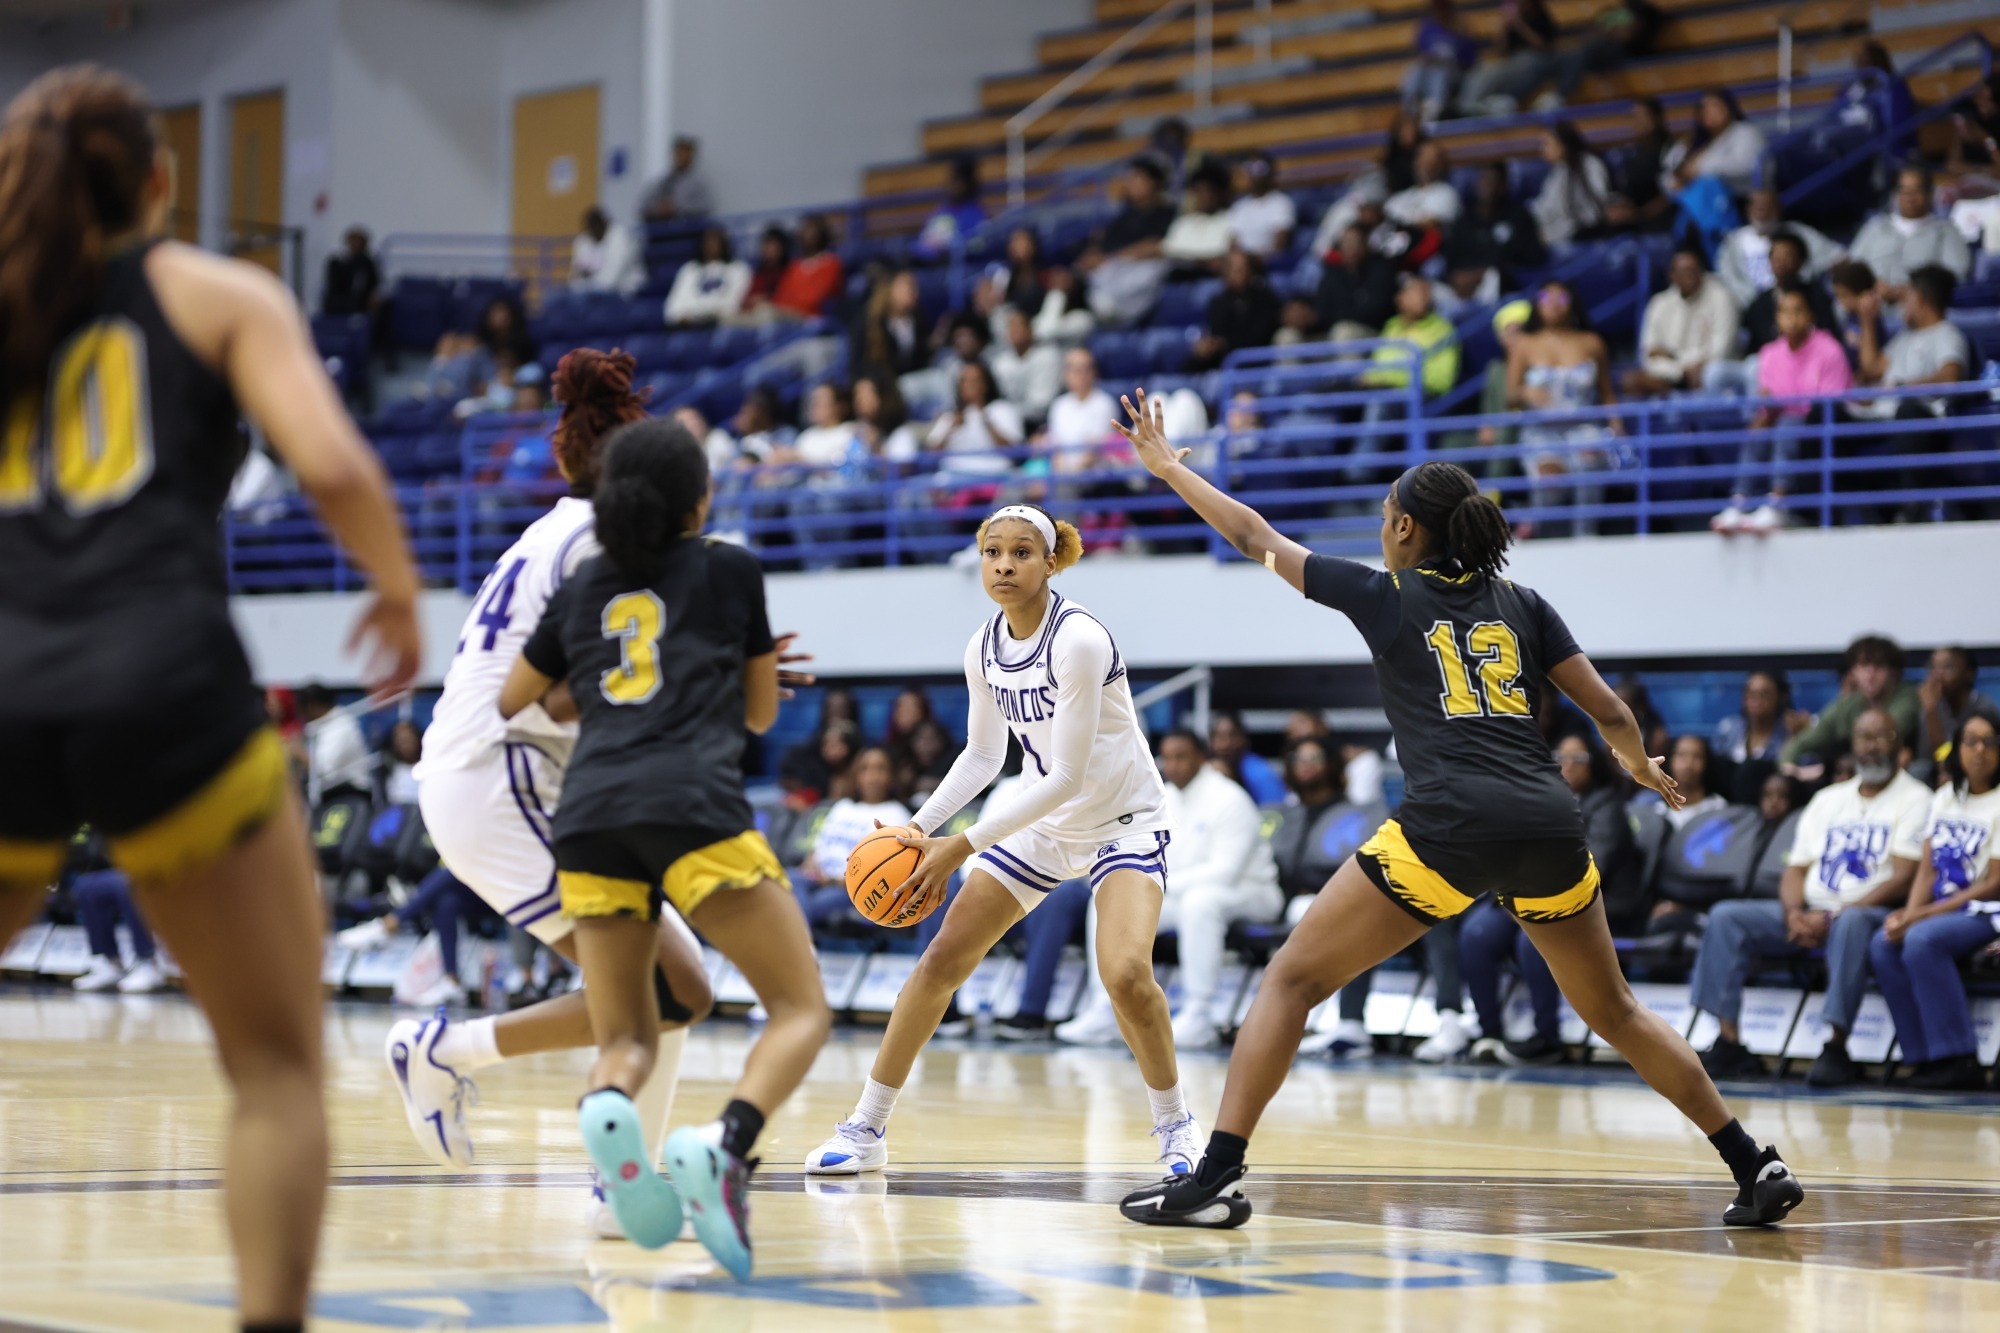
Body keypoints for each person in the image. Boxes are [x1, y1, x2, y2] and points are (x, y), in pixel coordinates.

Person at [1111, 405, 1803, 1232]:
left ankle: (1213, 1174)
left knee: (1291, 980)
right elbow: (1611, 710)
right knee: (1615, 1009)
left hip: (1449, 824)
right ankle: (1751, 1161)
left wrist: (1169, 469)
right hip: (1550, 823)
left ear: (1405, 527)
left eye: (1382, 518)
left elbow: (1252, 533)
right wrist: (1638, 764)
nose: (1378, 530)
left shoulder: (1386, 596)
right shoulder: (1524, 602)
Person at [0, 66, 422, 1330]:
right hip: (165, 683)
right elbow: (335, 461)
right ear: (163, 180)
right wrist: (396, 589)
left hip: (6, 682)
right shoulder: (215, 291)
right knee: (277, 1067)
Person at [388, 349, 736, 1243]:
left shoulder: (565, 531)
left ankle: (611, 1180)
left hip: (505, 777)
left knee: (677, 987)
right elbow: (559, 695)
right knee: (658, 986)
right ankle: (601, 1176)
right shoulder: (600, 547)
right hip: (496, 779)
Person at [499, 418, 830, 1277]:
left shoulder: (583, 588)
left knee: (631, 1035)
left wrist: (600, 692)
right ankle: (726, 1148)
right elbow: (759, 714)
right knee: (799, 1009)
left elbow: (515, 696)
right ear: (699, 498)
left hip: (590, 816)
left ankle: (608, 1098)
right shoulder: (728, 567)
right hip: (692, 806)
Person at [802, 503, 1204, 1183]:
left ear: (1052, 562)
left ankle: (1177, 1126)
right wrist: (918, 828)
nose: (1005, 565)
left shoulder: (1079, 638)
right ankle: (867, 1126)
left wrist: (962, 844)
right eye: (993, 552)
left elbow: (1069, 776)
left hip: (1121, 820)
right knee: (940, 963)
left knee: (1127, 977)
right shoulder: (982, 645)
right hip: (1041, 823)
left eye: (1022, 552)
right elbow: (984, 755)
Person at [1693, 708, 1927, 1088]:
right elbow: (1795, 870)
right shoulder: (1828, 800)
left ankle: (1836, 1047)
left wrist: (1835, 916)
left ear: (1898, 743)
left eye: (1880, 737)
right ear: (1852, 745)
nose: (1871, 747)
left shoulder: (1916, 798)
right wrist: (1793, 915)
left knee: (1850, 923)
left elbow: (1904, 876)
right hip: (1810, 911)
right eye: (1863, 738)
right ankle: (1729, 1042)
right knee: (1725, 916)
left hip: (1870, 914)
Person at [1463, 732, 1629, 1066]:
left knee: (1535, 939)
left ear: (1593, 765)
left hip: (1592, 900)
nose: (1567, 765)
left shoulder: (1607, 806)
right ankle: (1489, 1033)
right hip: (1529, 894)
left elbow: (1595, 866)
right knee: (1476, 932)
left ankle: (1547, 1036)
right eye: (1560, 758)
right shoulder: (1542, 802)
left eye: (1578, 759)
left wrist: (1529, 894)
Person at [1869, 713, 2000, 1091]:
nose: (1979, 751)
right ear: (1956, 749)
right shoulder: (1945, 797)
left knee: (1923, 940)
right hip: (1938, 911)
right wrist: (1908, 914)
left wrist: (1920, 917)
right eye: (1970, 741)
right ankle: (1923, 1057)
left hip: (1985, 912)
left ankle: (1959, 1058)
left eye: (1989, 742)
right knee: (1884, 942)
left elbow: (1992, 885)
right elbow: (1927, 869)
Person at [1151, 729, 1284, 1050]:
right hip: (1181, 893)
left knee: (1201, 903)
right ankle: (1107, 1009)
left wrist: (1160, 885)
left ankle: (1200, 1014)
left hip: (1253, 892)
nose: (1172, 766)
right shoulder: (1163, 797)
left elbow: (1225, 873)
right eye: (1166, 758)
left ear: (1202, 757)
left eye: (1180, 757)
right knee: (1112, 904)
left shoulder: (1229, 798)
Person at [1711, 281, 1851, 534]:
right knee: (1757, 428)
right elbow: (1770, 395)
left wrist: (1783, 406)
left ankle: (1777, 503)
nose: (1792, 318)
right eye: (1785, 312)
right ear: (1777, 318)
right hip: (1783, 417)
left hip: (1817, 423)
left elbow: (1830, 403)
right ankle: (1739, 502)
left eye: (1799, 311)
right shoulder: (1770, 353)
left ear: (1810, 315)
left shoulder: (1829, 349)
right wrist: (1767, 410)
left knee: (1786, 424)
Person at [1508, 281, 1618, 536]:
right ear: (1537, 304)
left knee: (1590, 462)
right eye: (1547, 297)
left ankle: (1585, 535)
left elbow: (1607, 392)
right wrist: (1526, 391)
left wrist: (1616, 425)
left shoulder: (1591, 342)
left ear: (1573, 304)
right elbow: (1511, 396)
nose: (1554, 304)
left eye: (1562, 298)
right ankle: (1532, 530)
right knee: (1551, 482)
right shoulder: (1524, 343)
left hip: (1584, 427)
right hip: (1541, 431)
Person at [793, 746, 912, 928]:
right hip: (817, 878)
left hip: (853, 889)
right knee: (787, 880)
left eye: (880, 769)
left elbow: (888, 873)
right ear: (856, 775)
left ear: (891, 776)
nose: (872, 776)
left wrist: (835, 881)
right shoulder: (843, 806)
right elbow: (818, 848)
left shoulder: (897, 815)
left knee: (807, 905)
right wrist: (811, 865)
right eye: (865, 769)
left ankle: (799, 951)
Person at [1782, 635, 1921, 771]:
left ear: (1894, 671)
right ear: (1853, 671)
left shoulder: (1907, 699)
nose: (1870, 674)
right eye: (1864, 665)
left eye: (1879, 666)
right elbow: (1805, 741)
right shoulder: (1850, 702)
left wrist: (1824, 769)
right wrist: (1789, 767)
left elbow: (1881, 740)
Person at [1623, 248, 1740, 397]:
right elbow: (1648, 355)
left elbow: (1720, 352)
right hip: (1670, 376)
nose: (1689, 276)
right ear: (1672, 276)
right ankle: (1676, 401)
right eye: (1683, 272)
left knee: (1706, 373)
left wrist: (1672, 356)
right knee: (1631, 381)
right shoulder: (1659, 304)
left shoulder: (1721, 298)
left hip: (1707, 373)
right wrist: (1681, 370)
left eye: (1693, 270)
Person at [1079, 157, 1177, 326]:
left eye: (1138, 178)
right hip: (1113, 272)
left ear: (1155, 183)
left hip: (1145, 272)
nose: (1131, 183)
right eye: (1131, 178)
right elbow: (1101, 249)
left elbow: (1158, 247)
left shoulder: (1167, 213)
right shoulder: (1122, 217)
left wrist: (1113, 257)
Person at [1847, 166, 1972, 295]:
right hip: (1874, 304)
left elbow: (1956, 273)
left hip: (1923, 304)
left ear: (1929, 194)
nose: (1910, 198)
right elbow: (1852, 270)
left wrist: (1911, 290)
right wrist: (1874, 286)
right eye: (1904, 191)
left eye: (1916, 191)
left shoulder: (1946, 231)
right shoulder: (1875, 227)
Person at [69, 834, 168, 994]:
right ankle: (111, 963)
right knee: (87, 886)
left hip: (169, 865)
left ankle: (148, 962)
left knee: (126, 884)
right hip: (131, 869)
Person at [1715, 190, 1845, 308]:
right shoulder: (1734, 241)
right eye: (1758, 207)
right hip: (1752, 308)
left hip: (1799, 301)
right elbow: (1727, 277)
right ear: (1748, 209)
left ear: (1778, 209)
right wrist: (1755, 302)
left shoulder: (1798, 233)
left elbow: (1837, 256)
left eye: (1768, 207)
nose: (1763, 212)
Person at [1445, 162, 1547, 305]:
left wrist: (1482, 272)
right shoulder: (1465, 220)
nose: (1487, 185)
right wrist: (1458, 277)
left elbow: (1533, 255)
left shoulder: (1518, 216)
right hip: (1461, 287)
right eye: (1484, 179)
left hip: (1502, 285)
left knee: (1493, 277)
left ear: (1503, 185)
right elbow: (1451, 258)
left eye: (1493, 180)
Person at [1549, 0, 1665, 104]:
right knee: (1569, 51)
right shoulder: (1612, 11)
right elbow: (1593, 30)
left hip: (1616, 50)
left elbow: (1628, 35)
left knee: (1591, 46)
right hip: (1596, 50)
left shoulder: (1640, 10)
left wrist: (1608, 33)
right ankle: (1556, 93)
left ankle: (1559, 96)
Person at [925, 360, 1024, 480]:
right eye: (965, 381)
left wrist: (986, 421)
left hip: (995, 475)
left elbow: (1015, 452)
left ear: (986, 384)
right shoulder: (950, 416)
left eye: (975, 381)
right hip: (955, 476)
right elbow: (930, 457)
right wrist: (951, 429)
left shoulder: (1002, 409)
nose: (970, 385)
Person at [1459, 0, 1562, 116]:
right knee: (1482, 69)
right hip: (1512, 63)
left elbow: (1542, 46)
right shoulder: (1513, 21)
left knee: (1508, 67)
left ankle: (1471, 105)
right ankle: (1468, 105)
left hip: (1534, 61)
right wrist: (1504, 29)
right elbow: (1500, 51)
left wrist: (1520, 24)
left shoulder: (1540, 17)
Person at [1189, 250, 1282, 372]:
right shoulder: (1218, 302)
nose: (1235, 273)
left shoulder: (1265, 298)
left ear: (1250, 271)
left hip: (1259, 364)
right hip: (1225, 365)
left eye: (1240, 269)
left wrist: (1224, 343)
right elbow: (1217, 334)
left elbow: (1262, 336)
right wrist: (1208, 347)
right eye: (1230, 268)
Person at [1918, 647, 2000, 783]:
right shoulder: (1931, 706)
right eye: (1933, 668)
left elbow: (1948, 759)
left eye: (1948, 668)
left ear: (1969, 673)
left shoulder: (1983, 709)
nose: (1938, 675)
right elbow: (1932, 759)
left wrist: (1931, 712)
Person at [1665, 90, 1767, 199]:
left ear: (1728, 107)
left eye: (1715, 106)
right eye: (1704, 108)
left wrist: (1699, 170)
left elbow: (1747, 166)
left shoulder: (1745, 132)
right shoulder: (1698, 142)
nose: (1709, 111)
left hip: (1739, 199)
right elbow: (1670, 172)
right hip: (1695, 201)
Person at [1315, 222, 1399, 342]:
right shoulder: (1332, 275)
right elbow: (1321, 313)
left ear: (1366, 246)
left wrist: (1339, 315)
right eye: (1346, 243)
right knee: (1287, 335)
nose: (1351, 248)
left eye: (1356, 243)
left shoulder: (1381, 270)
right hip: (1332, 331)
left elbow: (1376, 313)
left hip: (1376, 333)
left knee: (1343, 331)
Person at [1531, 120, 1611, 247]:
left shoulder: (1590, 164)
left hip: (1588, 234)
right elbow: (1545, 207)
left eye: (1547, 144)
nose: (1542, 150)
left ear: (1562, 143)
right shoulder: (1560, 171)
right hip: (1563, 233)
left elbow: (1594, 210)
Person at [1603, 96, 1675, 234]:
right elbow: (1628, 192)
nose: (1637, 121)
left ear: (1656, 118)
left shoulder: (1670, 150)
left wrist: (1640, 214)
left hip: (1661, 219)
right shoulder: (1633, 154)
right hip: (1635, 218)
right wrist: (1620, 209)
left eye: (1642, 116)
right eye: (1634, 117)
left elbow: (1672, 194)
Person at [1043, 347, 1118, 476]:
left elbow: (1096, 449)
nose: (1081, 374)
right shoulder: (1059, 405)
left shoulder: (1104, 403)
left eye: (1086, 369)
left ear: (1094, 372)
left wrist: (1072, 476)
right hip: (1061, 473)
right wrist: (1060, 474)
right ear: (1066, 374)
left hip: (1092, 473)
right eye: (1075, 370)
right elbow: (1055, 445)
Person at [1400, 0, 1480, 120]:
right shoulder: (1427, 27)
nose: (1439, 13)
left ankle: (1435, 112)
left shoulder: (1460, 27)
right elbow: (1420, 53)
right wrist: (1428, 59)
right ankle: (1408, 109)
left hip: (1453, 71)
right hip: (1430, 68)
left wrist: (1447, 61)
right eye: (1436, 10)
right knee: (1415, 69)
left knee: (1439, 74)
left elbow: (1469, 60)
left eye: (1442, 10)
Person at [1713, 670, 1803, 773]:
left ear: (1781, 697)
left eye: (1764, 694)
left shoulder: (1790, 732)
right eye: (1751, 693)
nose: (1756, 700)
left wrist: (1795, 736)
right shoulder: (1728, 729)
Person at [989, 306, 1063, 425]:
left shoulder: (1049, 356)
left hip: (1045, 421)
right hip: (1012, 422)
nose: (1014, 331)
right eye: (1010, 327)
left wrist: (1008, 412)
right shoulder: (1000, 363)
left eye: (1019, 326)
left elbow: (1042, 405)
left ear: (1031, 330)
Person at [664, 225, 751, 326]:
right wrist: (684, 316)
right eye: (708, 241)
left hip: (724, 324)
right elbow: (673, 308)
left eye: (716, 241)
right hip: (692, 326)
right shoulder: (689, 270)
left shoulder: (738, 268)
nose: (711, 245)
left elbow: (736, 301)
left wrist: (713, 315)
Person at [298, 682, 372, 799]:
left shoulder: (342, 725)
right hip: (328, 794)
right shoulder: (316, 727)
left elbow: (326, 770)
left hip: (352, 794)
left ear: (311, 706)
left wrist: (298, 752)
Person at [1161, 160, 1236, 267]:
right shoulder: (1183, 223)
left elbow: (1220, 259)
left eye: (1207, 191)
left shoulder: (1231, 220)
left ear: (1220, 193)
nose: (1202, 197)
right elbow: (1167, 252)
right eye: (1197, 191)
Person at [1226, 151, 1297, 260]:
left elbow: (1279, 246)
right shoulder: (1238, 207)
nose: (1253, 173)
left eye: (1259, 168)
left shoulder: (1281, 203)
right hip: (1243, 264)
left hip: (1268, 263)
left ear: (1270, 172)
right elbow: (1233, 242)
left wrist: (1254, 259)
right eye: (1248, 167)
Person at [772, 214, 843, 321]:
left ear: (822, 233)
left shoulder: (831, 263)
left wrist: (791, 305)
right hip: (785, 315)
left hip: (811, 318)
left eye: (813, 229)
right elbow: (780, 297)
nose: (809, 234)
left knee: (767, 315)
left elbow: (814, 299)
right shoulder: (794, 266)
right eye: (806, 229)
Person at [914, 156, 985, 261]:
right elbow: (920, 245)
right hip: (928, 264)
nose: (951, 186)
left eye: (957, 181)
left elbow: (971, 247)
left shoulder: (975, 215)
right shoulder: (941, 210)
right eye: (951, 180)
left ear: (967, 184)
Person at [1208, 712, 1286, 806]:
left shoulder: (1260, 773)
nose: (1226, 744)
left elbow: (1274, 814)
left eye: (1233, 735)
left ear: (1244, 739)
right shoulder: (1203, 769)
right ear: (1210, 742)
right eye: (1220, 736)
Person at [1383, 140, 1462, 232]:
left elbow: (1429, 226)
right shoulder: (1398, 198)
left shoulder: (1447, 194)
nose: (1425, 163)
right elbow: (1383, 221)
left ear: (1441, 164)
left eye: (1431, 159)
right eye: (1421, 156)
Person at [570, 205, 642, 296]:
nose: (593, 231)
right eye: (590, 228)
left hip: (624, 290)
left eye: (596, 226)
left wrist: (589, 280)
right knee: (558, 299)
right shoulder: (584, 240)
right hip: (594, 292)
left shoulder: (620, 237)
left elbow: (611, 279)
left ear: (604, 224)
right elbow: (576, 278)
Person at [641, 134, 714, 222]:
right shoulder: (663, 181)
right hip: (663, 228)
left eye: (686, 154)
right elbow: (644, 206)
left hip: (687, 227)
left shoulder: (699, 182)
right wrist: (658, 209)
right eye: (680, 154)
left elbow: (706, 206)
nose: (682, 158)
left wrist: (677, 207)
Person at [321, 224, 380, 318]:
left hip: (359, 303)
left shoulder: (367, 264)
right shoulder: (338, 263)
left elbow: (371, 286)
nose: (354, 244)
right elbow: (334, 286)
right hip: (341, 301)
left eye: (357, 241)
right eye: (352, 240)